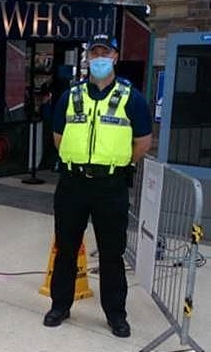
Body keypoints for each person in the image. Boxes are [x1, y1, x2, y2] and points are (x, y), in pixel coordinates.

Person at [43, 33, 152, 338]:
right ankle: (59, 306)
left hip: (110, 186)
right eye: (94, 53)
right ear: (88, 58)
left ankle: (116, 314)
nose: (99, 58)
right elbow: (58, 136)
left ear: (115, 57)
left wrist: (115, 163)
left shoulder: (133, 98)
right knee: (66, 248)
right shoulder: (71, 95)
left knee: (111, 253)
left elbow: (143, 142)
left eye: (105, 53)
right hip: (72, 183)